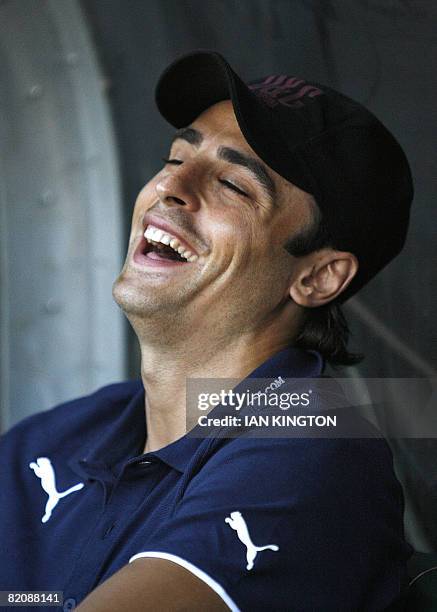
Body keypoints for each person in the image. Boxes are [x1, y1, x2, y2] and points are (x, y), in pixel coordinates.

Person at [0, 50, 414, 611]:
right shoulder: (62, 434)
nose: (172, 187)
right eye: (176, 157)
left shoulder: (315, 450)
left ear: (319, 277)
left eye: (234, 185)